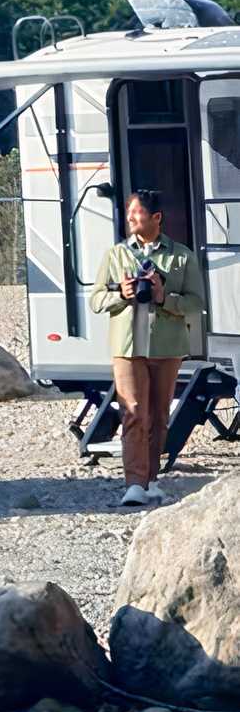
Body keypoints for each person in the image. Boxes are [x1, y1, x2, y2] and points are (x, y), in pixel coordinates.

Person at [87, 190, 206, 507]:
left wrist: (164, 296)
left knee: (159, 415)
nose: (130, 218)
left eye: (137, 213)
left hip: (167, 346)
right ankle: (134, 484)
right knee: (134, 412)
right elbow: (96, 300)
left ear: (156, 218)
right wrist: (121, 294)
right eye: (129, 212)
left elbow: (197, 303)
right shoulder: (116, 255)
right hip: (127, 347)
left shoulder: (181, 256)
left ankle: (152, 480)